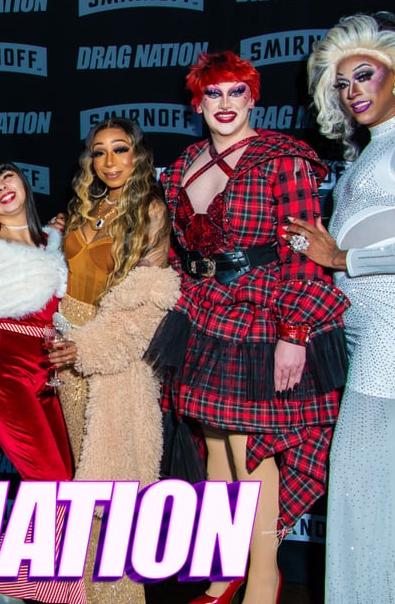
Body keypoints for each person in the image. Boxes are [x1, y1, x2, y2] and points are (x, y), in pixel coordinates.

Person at [145, 51, 349, 604]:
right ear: (197, 103)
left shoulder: (281, 159)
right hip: (201, 313)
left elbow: (304, 248)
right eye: (213, 93)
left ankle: (263, 581)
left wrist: (295, 332)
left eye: (237, 91)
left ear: (253, 98)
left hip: (261, 313)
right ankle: (223, 574)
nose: (225, 103)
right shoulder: (184, 163)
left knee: (251, 453)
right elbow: (174, 249)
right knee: (214, 446)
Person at [292, 12, 395, 604]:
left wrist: (339, 258)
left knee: (359, 469)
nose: (352, 91)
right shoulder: (377, 147)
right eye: (342, 83)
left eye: (364, 75)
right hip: (371, 321)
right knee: (385, 471)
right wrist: (321, 246)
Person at [55, 117, 178, 604]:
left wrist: (89, 348)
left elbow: (148, 302)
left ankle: (119, 597)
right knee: (77, 478)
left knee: (112, 483)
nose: (109, 161)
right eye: (99, 151)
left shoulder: (151, 211)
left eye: (120, 149)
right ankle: (80, 591)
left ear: (138, 155)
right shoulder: (85, 205)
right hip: (65, 353)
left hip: (109, 358)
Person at [0, 161, 85, 604]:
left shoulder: (52, 241)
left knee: (62, 478)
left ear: (23, 182)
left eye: (6, 177)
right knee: (50, 479)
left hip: (47, 374)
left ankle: (5, 581)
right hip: (3, 373)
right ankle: (17, 583)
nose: (1, 187)